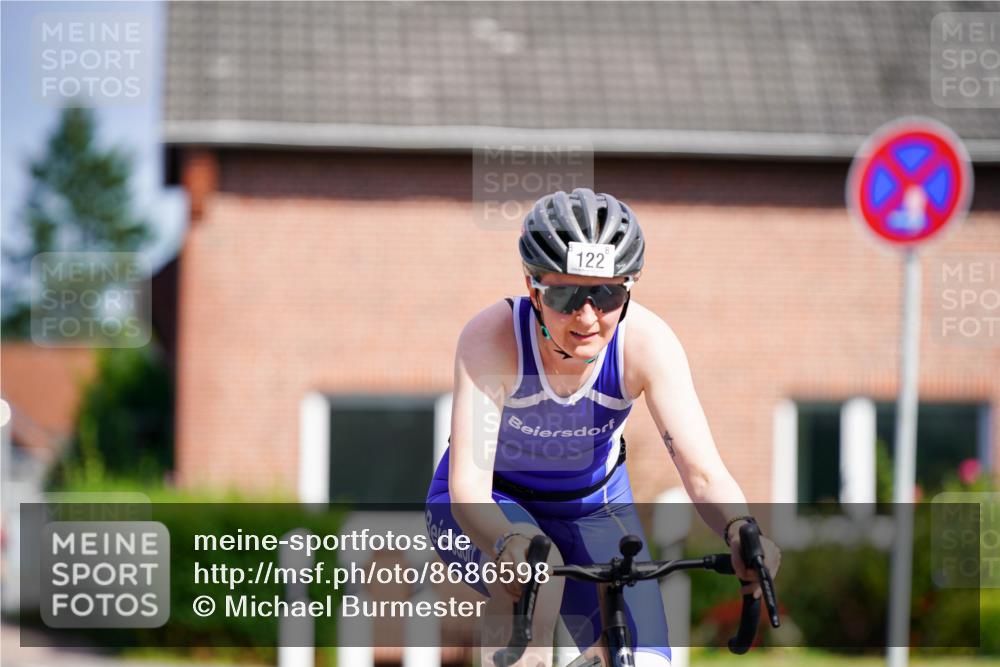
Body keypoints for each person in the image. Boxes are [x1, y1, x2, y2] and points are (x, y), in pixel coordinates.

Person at [425, 188, 781, 666]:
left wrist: (741, 528)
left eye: (606, 294)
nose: (587, 316)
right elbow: (469, 485)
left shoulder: (647, 343)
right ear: (533, 289)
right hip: (490, 504)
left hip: (594, 507)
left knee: (646, 659)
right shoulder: (493, 338)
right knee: (535, 578)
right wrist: (506, 540)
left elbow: (703, 472)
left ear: (628, 289)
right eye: (566, 295)